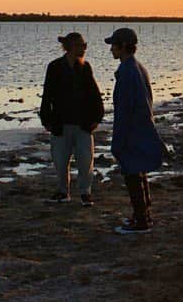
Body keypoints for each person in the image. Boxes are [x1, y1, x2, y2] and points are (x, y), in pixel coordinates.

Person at [105, 27, 164, 234]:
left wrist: (119, 139)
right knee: (138, 172)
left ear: (122, 47)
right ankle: (143, 215)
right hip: (140, 127)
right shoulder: (137, 68)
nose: (111, 49)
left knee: (132, 173)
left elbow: (125, 109)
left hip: (132, 130)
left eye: (113, 45)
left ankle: (141, 220)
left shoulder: (128, 71)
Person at [38, 32, 105, 207]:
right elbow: (48, 96)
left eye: (84, 45)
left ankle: (85, 193)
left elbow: (94, 95)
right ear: (69, 47)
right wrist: (46, 120)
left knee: (85, 161)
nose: (83, 49)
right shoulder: (54, 67)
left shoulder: (85, 67)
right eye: (80, 45)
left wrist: (97, 117)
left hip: (83, 124)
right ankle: (62, 191)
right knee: (60, 161)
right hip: (60, 124)